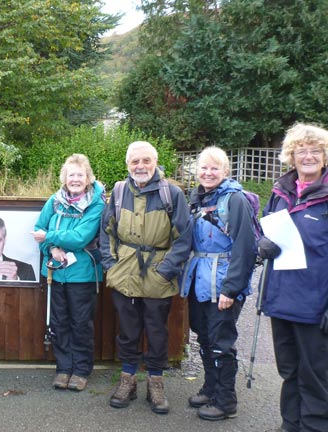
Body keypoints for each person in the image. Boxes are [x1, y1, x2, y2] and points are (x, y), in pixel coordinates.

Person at [100, 141, 191, 414]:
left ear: (155, 162)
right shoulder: (117, 192)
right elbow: (106, 233)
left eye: (146, 161)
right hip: (124, 273)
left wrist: (166, 270)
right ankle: (127, 380)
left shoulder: (172, 194)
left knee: (157, 332)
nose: (140, 166)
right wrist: (110, 266)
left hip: (158, 275)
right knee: (127, 332)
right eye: (135, 162)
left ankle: (156, 382)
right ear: (128, 164)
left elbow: (184, 238)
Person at [257, 123, 328, 432]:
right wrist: (263, 245)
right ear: (291, 156)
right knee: (289, 370)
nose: (308, 156)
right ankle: (290, 424)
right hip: (281, 299)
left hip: (315, 305)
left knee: (316, 374)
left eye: (316, 151)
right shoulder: (280, 191)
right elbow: (267, 234)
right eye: (302, 151)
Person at [180, 146, 256, 421]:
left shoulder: (234, 200)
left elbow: (245, 247)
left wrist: (231, 289)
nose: (208, 172)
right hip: (199, 279)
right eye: (203, 167)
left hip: (223, 282)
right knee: (204, 336)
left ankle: (226, 401)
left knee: (222, 341)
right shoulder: (197, 198)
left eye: (215, 168)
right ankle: (210, 388)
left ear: (225, 171)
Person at [32, 154, 105, 392]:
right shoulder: (54, 200)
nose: (75, 179)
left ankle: (81, 370)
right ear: (65, 177)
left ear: (88, 178)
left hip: (82, 273)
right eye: (71, 175)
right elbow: (38, 229)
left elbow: (81, 237)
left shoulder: (96, 203)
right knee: (59, 322)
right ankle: (63, 369)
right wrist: (51, 248)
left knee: (81, 323)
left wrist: (50, 238)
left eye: (80, 175)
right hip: (55, 274)